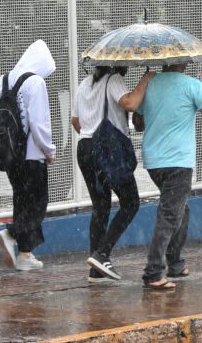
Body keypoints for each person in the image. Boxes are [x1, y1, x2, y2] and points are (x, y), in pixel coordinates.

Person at [133, 63, 202, 290]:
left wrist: (155, 110)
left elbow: (137, 124)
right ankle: (153, 273)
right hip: (178, 161)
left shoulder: (150, 83)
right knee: (169, 215)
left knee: (180, 209)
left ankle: (175, 262)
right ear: (183, 62)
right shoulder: (193, 85)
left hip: (154, 161)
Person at [71, 66, 154, 283]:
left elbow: (75, 121)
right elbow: (130, 103)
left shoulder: (85, 83)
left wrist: (92, 136)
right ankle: (103, 253)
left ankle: (96, 270)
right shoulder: (114, 78)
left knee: (100, 207)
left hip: (85, 148)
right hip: (107, 149)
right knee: (131, 202)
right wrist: (145, 79)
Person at [0, 40, 56, 271]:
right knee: (38, 203)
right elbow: (40, 124)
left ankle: (25, 257)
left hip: (10, 155)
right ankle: (11, 233)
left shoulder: (3, 80)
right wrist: (49, 151)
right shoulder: (35, 82)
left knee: (22, 201)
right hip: (32, 155)